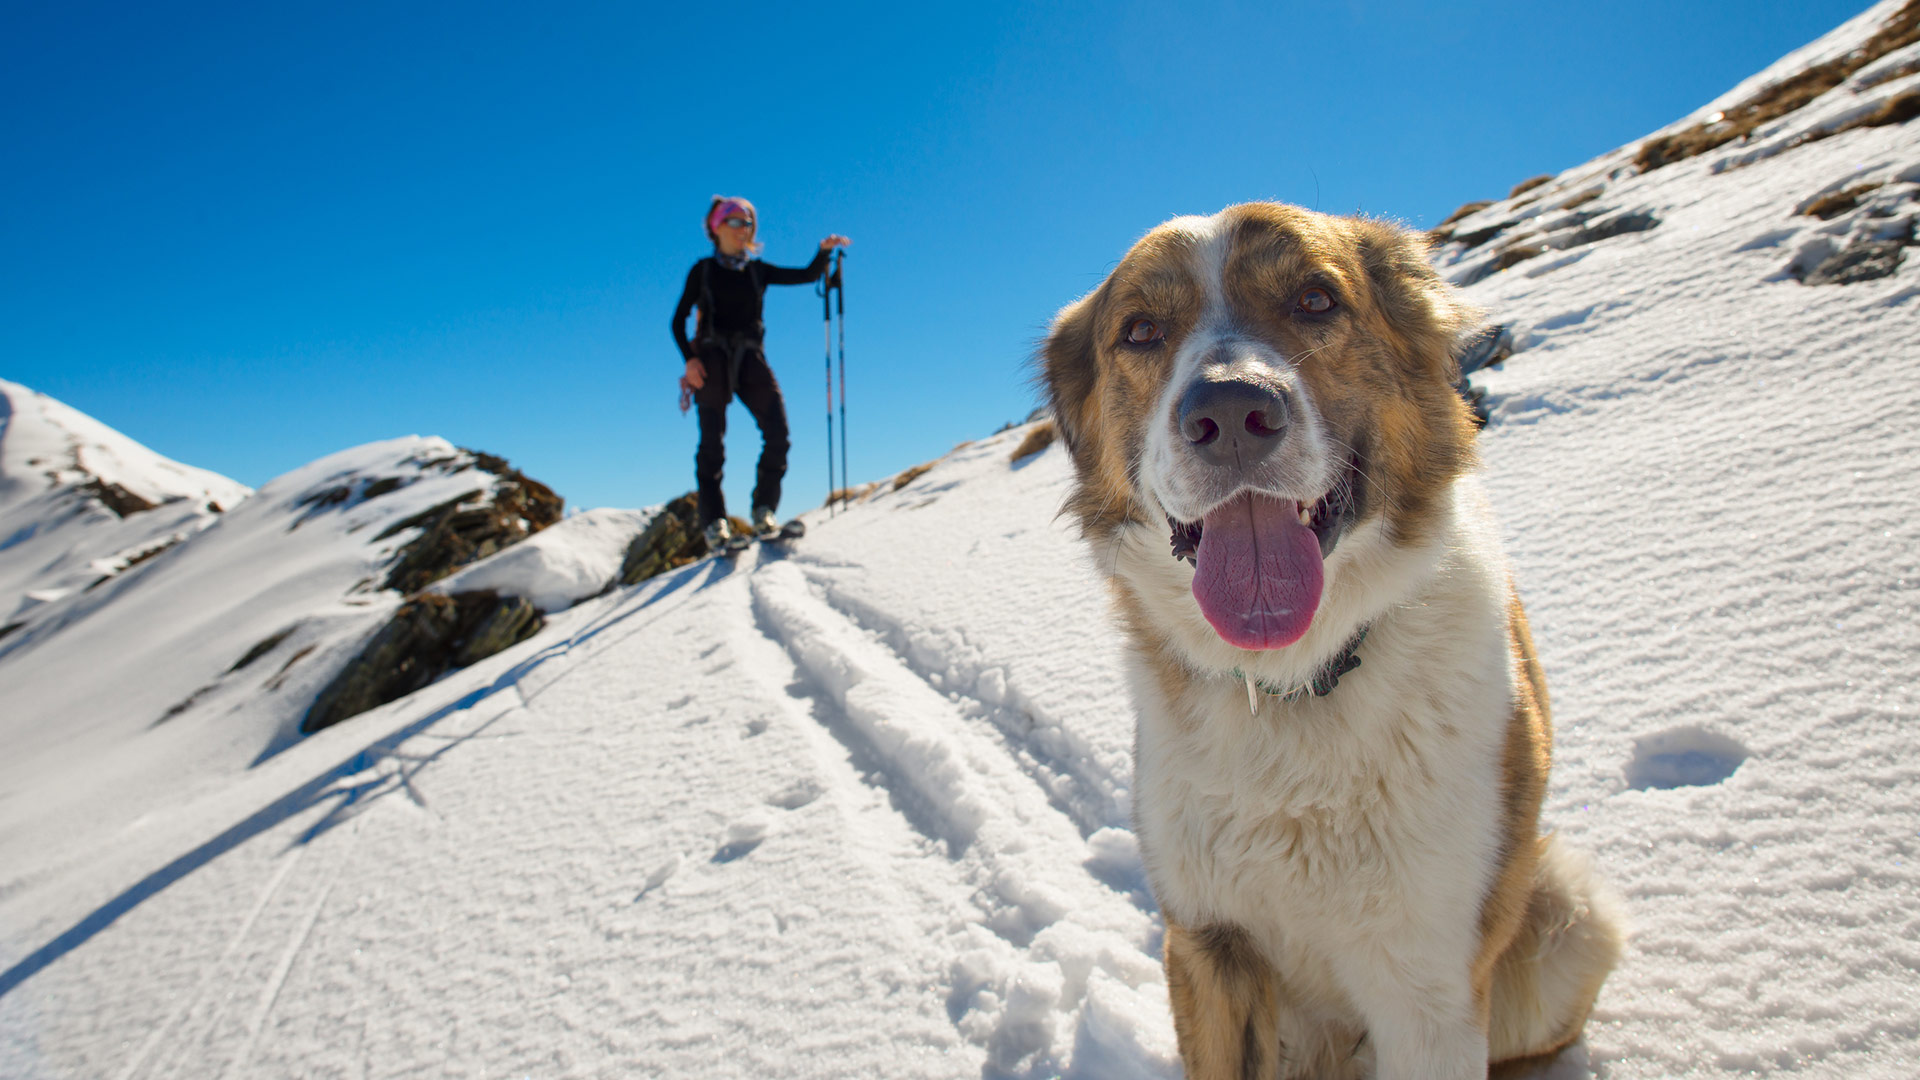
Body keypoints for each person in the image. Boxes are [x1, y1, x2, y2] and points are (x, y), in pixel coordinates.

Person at [670, 196, 850, 549]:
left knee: (778, 433)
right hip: (711, 361)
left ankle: (763, 511)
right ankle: (715, 525)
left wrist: (823, 251)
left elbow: (807, 275)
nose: (743, 229)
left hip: (751, 359)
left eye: (748, 223)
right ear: (716, 227)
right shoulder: (702, 271)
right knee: (711, 446)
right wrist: (689, 361)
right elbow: (677, 321)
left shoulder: (757, 271)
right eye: (735, 222)